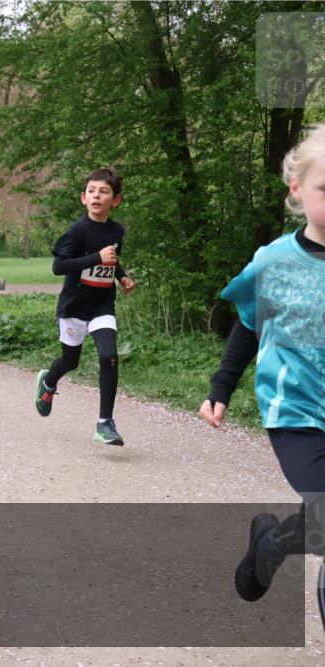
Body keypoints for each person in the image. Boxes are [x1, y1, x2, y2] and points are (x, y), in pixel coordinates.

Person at [199, 125, 324, 630]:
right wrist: (220, 388)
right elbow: (248, 327)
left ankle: (271, 542)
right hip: (295, 413)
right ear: (297, 188)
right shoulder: (274, 262)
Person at [33, 168, 137, 445]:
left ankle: (105, 423)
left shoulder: (116, 231)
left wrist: (122, 276)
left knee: (109, 356)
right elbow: (59, 267)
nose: (96, 196)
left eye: (103, 192)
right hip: (74, 307)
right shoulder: (77, 231)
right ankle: (49, 381)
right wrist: (95, 257)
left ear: (115, 200)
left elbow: (111, 260)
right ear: (83, 197)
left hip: (102, 305)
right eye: (92, 191)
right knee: (70, 361)